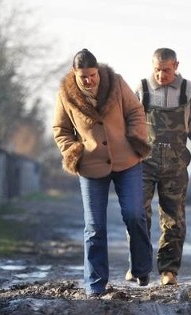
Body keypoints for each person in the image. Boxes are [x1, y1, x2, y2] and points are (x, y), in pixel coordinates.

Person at [53, 49, 153, 297]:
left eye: (93, 75)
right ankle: (95, 283)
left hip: (126, 159)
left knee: (134, 214)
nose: (89, 80)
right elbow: (61, 129)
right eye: (83, 76)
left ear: (98, 71)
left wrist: (135, 137)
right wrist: (74, 151)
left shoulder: (116, 83)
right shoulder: (66, 94)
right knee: (95, 226)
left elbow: (136, 112)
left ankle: (141, 268)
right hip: (91, 165)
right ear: (75, 73)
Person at [133, 48, 191, 286]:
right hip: (143, 163)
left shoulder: (189, 91)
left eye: (166, 70)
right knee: (137, 214)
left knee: (173, 218)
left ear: (176, 66)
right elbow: (129, 125)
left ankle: (169, 270)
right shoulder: (141, 89)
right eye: (157, 70)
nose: (161, 75)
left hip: (176, 165)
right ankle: (139, 266)